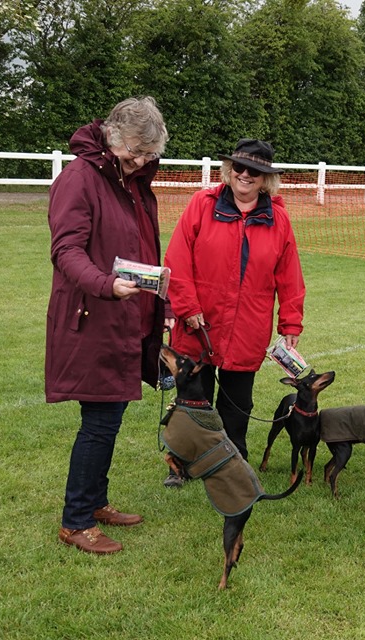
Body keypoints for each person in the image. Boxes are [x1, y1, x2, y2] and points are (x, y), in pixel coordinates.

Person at [47, 96, 170, 555]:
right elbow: (66, 251)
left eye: (147, 154)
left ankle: (95, 502)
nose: (141, 161)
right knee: (98, 422)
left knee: (110, 418)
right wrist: (105, 285)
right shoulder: (79, 179)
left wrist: (159, 294)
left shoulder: (129, 178)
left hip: (127, 319)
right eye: (135, 151)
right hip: (93, 318)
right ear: (113, 137)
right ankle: (75, 521)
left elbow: (139, 243)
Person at [164, 138, 305, 480]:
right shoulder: (201, 204)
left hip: (248, 327)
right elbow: (177, 259)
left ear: (265, 179)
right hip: (198, 322)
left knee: (238, 404)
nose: (245, 175)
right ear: (229, 171)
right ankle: (182, 463)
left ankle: (232, 461)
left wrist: (290, 324)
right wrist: (187, 306)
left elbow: (289, 275)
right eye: (239, 168)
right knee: (192, 399)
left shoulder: (279, 220)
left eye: (254, 171)